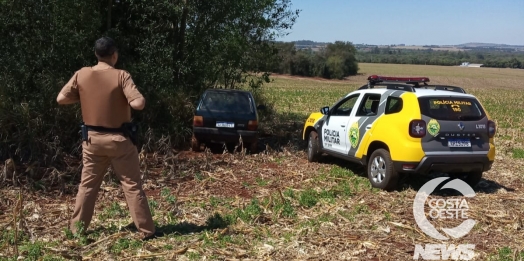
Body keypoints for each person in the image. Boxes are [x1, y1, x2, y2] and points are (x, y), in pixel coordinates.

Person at [56, 36, 159, 241]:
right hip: (119, 140)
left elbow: (61, 98)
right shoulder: (122, 76)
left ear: (96, 54)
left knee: (87, 186)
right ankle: (147, 231)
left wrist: (84, 96)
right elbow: (138, 103)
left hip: (92, 141)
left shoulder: (82, 74)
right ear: (114, 55)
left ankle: (77, 230)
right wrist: (137, 99)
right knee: (131, 185)